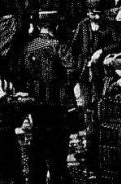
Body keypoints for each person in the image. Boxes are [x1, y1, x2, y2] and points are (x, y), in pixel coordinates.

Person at [21, 10, 74, 184]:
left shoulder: (29, 46)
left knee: (38, 138)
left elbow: (24, 73)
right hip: (56, 101)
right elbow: (71, 70)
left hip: (36, 102)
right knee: (58, 142)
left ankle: (37, 177)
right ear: (56, 26)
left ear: (38, 26)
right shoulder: (59, 45)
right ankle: (58, 177)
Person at [70, 0, 121, 165]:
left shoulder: (110, 26)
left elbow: (118, 43)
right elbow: (75, 48)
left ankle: (100, 149)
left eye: (99, 14)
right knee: (88, 111)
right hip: (86, 75)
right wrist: (80, 67)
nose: (97, 17)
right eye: (94, 14)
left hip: (103, 75)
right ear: (88, 13)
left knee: (101, 109)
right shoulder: (83, 26)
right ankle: (90, 150)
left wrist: (102, 51)